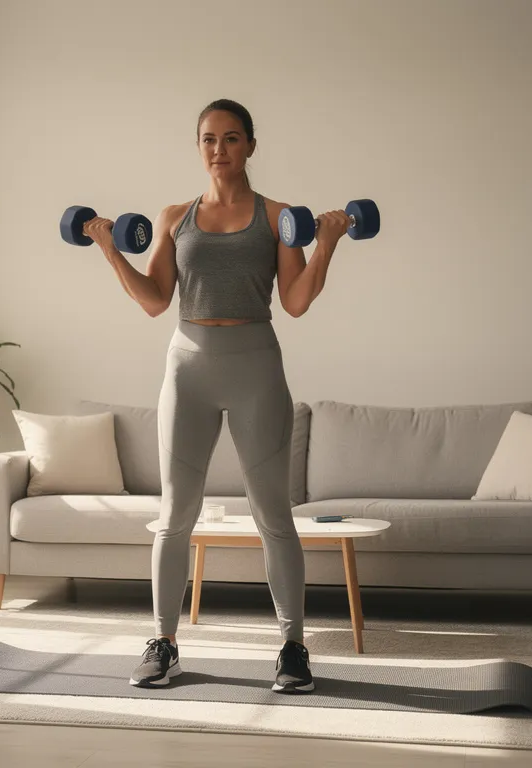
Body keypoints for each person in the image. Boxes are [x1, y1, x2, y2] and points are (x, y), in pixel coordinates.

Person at [82, 99, 347, 694]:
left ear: (251, 145)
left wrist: (327, 241)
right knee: (174, 516)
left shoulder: (279, 218)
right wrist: (107, 246)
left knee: (273, 515)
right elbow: (155, 299)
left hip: (255, 367)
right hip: (188, 370)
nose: (219, 150)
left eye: (231, 138)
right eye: (208, 139)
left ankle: (293, 648)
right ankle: (163, 643)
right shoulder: (175, 217)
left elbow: (297, 300)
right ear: (197, 147)